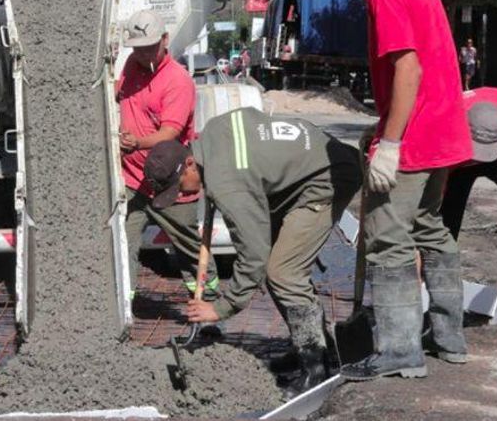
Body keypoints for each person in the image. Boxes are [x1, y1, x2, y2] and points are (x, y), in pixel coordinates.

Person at [315, 0, 473, 381]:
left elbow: (408, 68)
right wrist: (382, 124)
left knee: (387, 237)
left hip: (418, 138)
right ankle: (449, 338)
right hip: (443, 130)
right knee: (429, 227)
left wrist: (392, 142)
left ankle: (400, 349)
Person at [145, 108, 361, 396]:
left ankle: (317, 367)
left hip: (327, 178)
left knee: (283, 272)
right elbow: (249, 119)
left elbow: (253, 255)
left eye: (180, 186)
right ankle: (305, 347)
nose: (183, 194)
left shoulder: (228, 185)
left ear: (189, 164)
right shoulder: (213, 133)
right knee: (279, 268)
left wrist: (221, 307)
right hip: (303, 171)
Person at [117, 9, 206, 297]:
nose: (143, 55)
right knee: (123, 244)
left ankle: (207, 304)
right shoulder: (132, 64)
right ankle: (124, 310)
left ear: (165, 40)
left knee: (189, 246)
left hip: (171, 181)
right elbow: (119, 95)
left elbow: (170, 133)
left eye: (149, 48)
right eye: (138, 49)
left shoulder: (177, 81)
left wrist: (136, 143)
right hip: (133, 180)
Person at [441, 87, 497, 240]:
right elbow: (441, 177)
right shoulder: (449, 120)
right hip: (460, 156)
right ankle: (442, 251)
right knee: (447, 212)